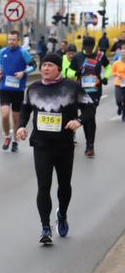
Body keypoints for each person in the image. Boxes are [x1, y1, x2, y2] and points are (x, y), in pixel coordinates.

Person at [16, 53, 94, 244]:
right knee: (43, 185)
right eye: (43, 65)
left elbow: (89, 107)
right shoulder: (33, 88)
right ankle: (45, 227)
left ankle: (62, 214)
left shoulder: (71, 87)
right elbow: (25, 108)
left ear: (58, 68)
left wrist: (79, 120)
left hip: (64, 144)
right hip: (41, 144)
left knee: (64, 185)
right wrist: (21, 126)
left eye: (50, 65)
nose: (46, 68)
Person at [68, 35, 111, 157]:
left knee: (90, 116)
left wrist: (106, 77)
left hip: (95, 92)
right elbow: (68, 72)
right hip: (81, 92)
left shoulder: (100, 56)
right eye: (86, 47)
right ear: (83, 46)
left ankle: (90, 146)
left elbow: (108, 67)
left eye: (90, 48)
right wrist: (76, 72)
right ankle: (88, 144)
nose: (88, 50)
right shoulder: (77, 57)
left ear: (93, 46)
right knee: (87, 117)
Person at [0, 30, 36, 152]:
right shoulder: (3, 51)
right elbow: (0, 63)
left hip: (18, 89)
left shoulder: (23, 52)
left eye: (13, 39)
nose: (11, 42)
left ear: (18, 40)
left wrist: (23, 73)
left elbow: (34, 65)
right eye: (9, 39)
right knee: (4, 114)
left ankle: (15, 141)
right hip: (4, 88)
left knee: (15, 118)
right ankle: (7, 136)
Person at [111, 42, 125, 120]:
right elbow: (112, 72)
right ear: (120, 54)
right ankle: (119, 107)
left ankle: (124, 114)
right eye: (122, 53)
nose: (124, 54)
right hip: (118, 83)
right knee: (118, 100)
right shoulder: (116, 63)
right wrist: (116, 74)